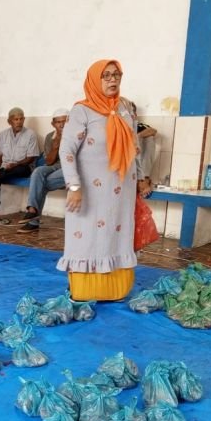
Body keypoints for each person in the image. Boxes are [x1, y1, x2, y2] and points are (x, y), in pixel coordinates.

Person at [56, 59, 138, 301]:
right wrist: (74, 186)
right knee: (87, 237)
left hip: (122, 189)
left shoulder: (126, 108)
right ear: (95, 79)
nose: (113, 80)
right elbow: (66, 150)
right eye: (106, 75)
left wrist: (142, 177)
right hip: (89, 192)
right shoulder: (82, 110)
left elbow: (134, 147)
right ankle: (84, 289)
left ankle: (115, 290)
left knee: (118, 235)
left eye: (117, 74)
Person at [0, 107, 40, 223]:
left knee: (17, 169)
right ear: (9, 121)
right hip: (4, 169)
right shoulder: (2, 135)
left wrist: (15, 164)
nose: (19, 122)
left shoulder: (31, 135)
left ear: (24, 119)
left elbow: (31, 158)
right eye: (16, 119)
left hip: (23, 167)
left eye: (21, 119)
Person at [17, 108, 70, 233]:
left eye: (65, 121)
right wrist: (56, 146)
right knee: (38, 171)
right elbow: (49, 162)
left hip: (70, 167)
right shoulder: (50, 137)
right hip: (55, 166)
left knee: (41, 185)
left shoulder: (77, 135)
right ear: (53, 124)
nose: (62, 125)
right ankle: (32, 210)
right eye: (58, 122)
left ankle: (33, 220)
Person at [131, 102, 158, 198]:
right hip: (124, 169)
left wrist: (136, 137)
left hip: (139, 169)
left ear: (135, 115)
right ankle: (143, 181)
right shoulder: (117, 127)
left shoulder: (139, 126)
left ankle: (143, 179)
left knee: (149, 138)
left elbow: (153, 131)